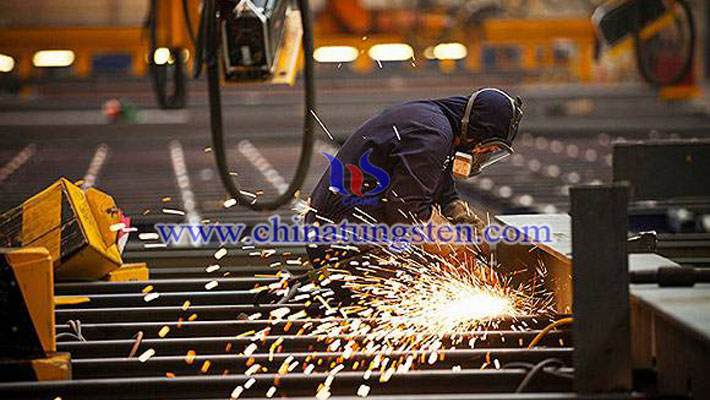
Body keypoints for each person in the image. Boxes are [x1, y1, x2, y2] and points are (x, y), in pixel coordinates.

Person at [304, 87, 523, 267]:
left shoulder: (438, 127)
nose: (484, 154)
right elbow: (407, 211)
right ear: (477, 132)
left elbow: (445, 197)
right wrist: (460, 251)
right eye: (488, 148)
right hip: (344, 242)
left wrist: (478, 234)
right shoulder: (433, 135)